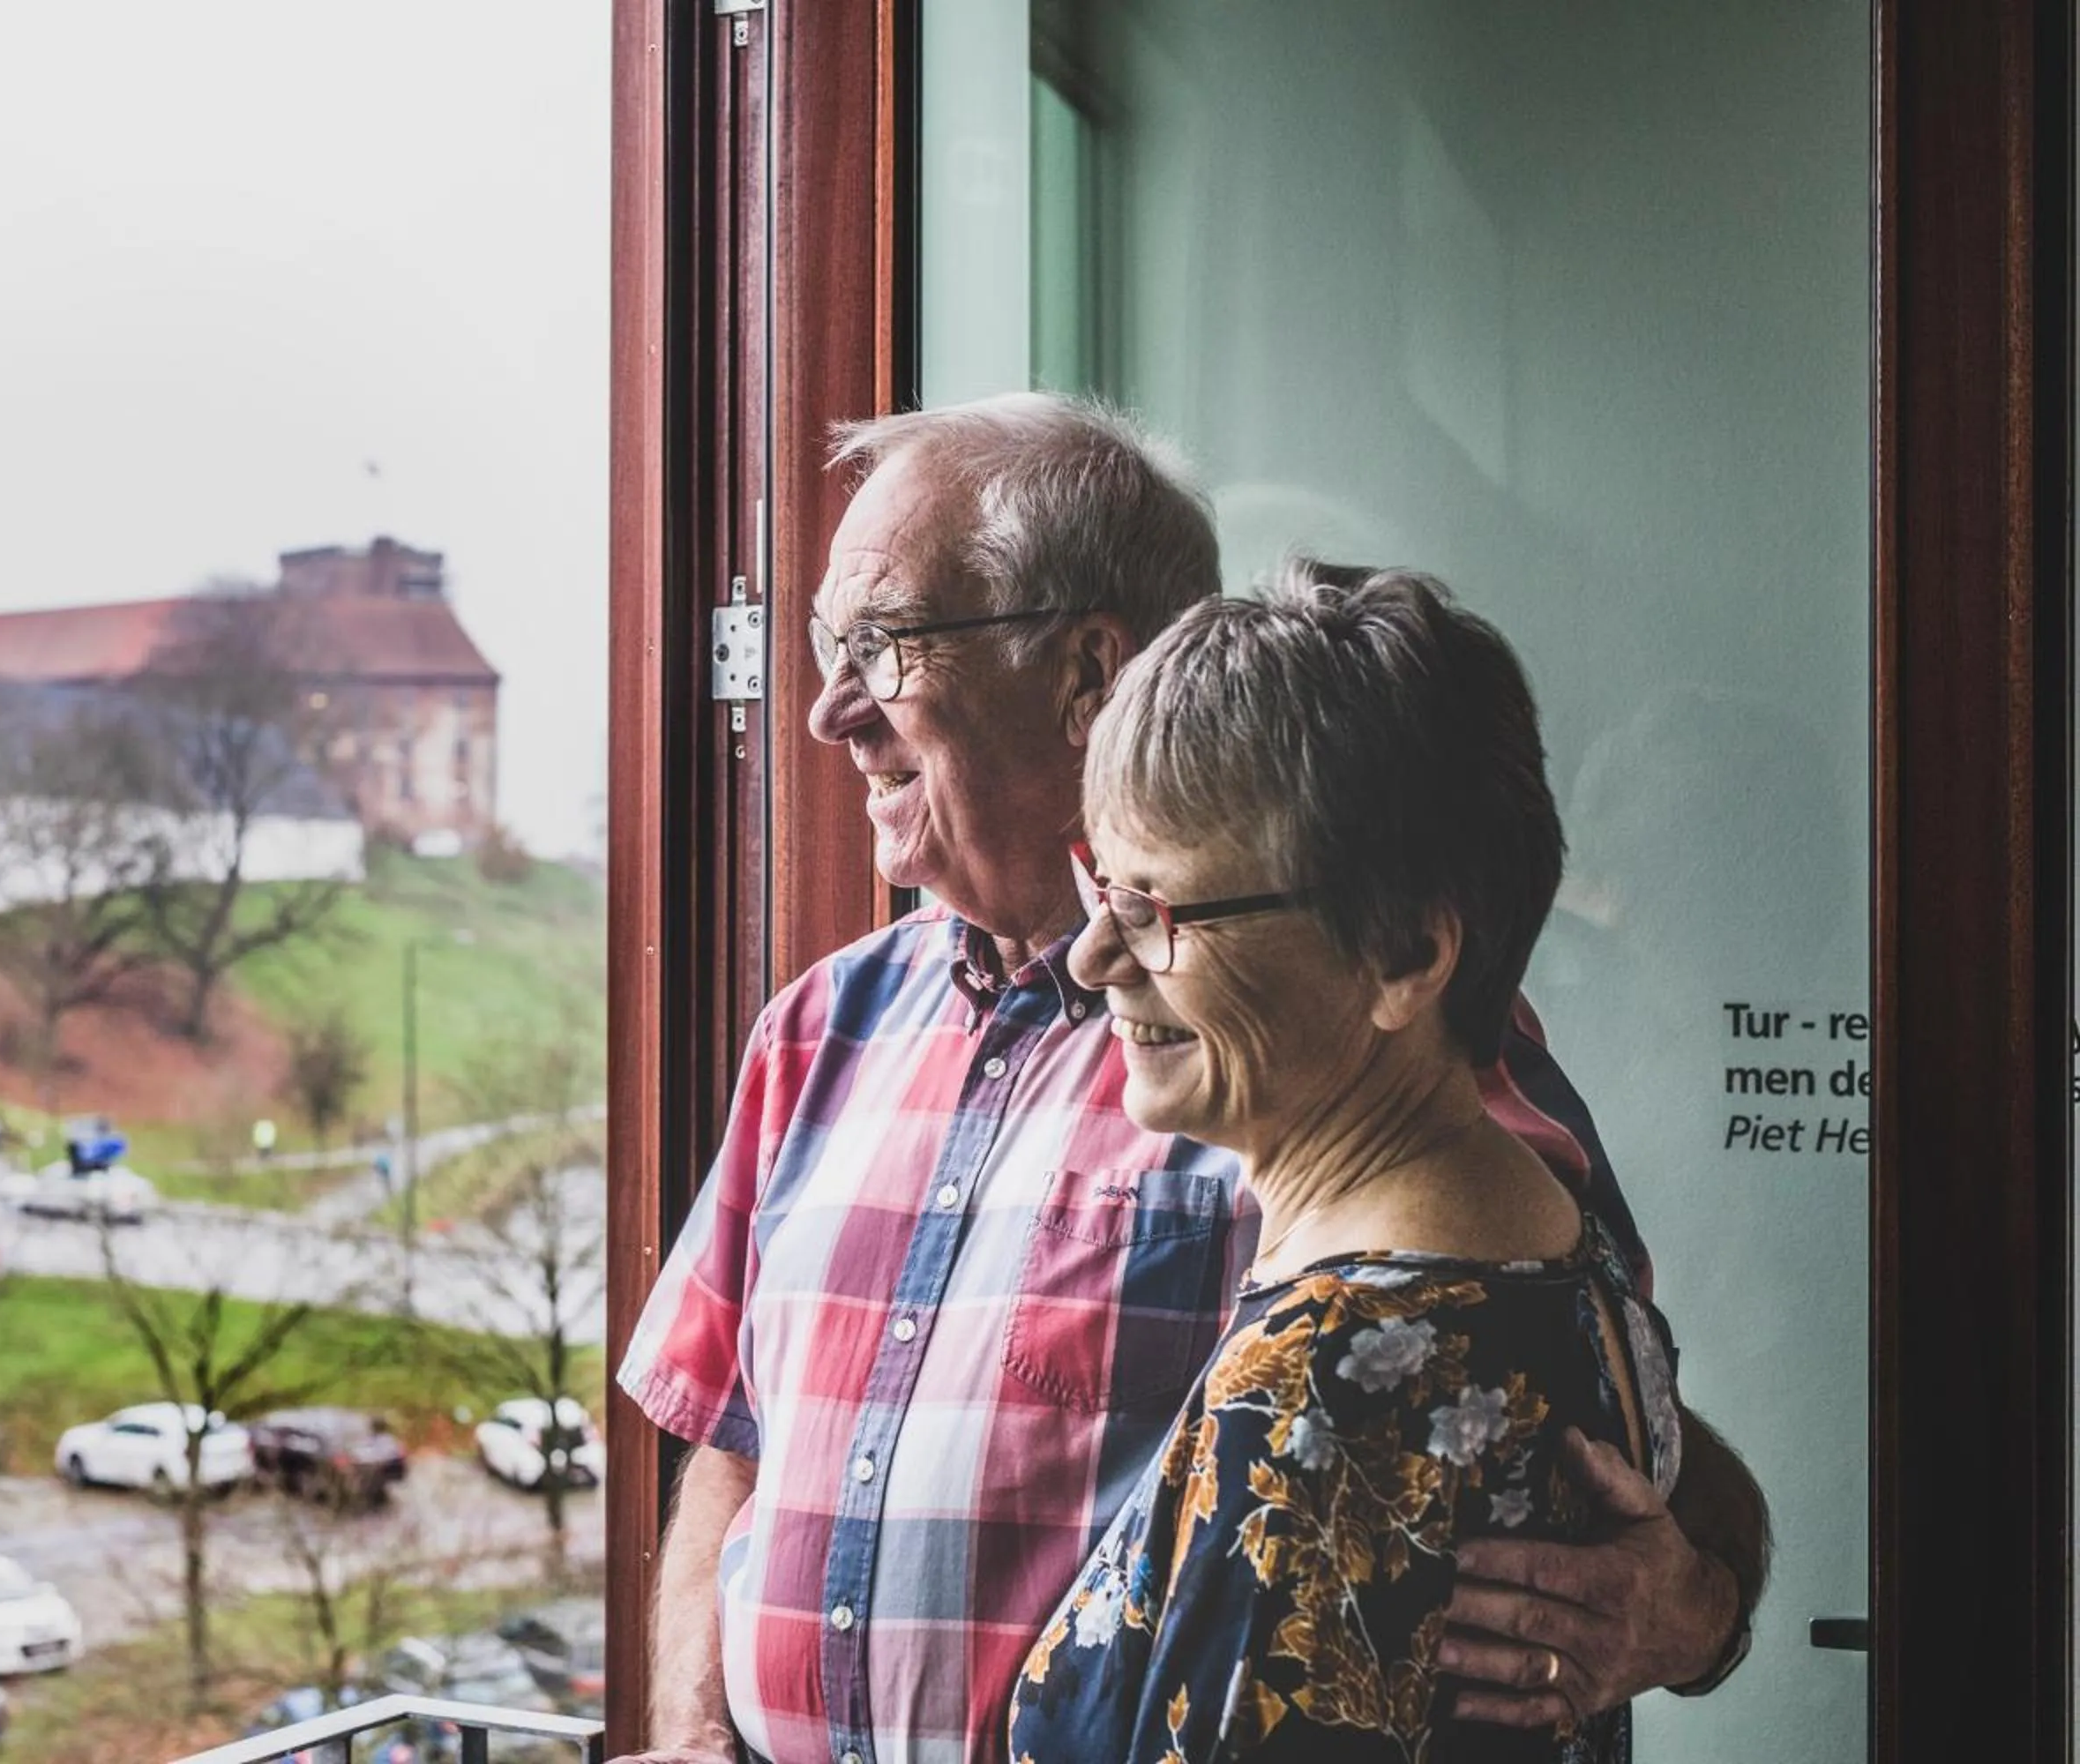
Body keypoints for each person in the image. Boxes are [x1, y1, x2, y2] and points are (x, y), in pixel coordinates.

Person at [614, 394, 1766, 1764]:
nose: (827, 710)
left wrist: (1690, 1611)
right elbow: (735, 1442)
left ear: (1090, 669)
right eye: (823, 646)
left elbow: (1589, 1406)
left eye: (886, 644)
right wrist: (694, 1733)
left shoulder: (1337, 1043)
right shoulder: (817, 1034)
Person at [1009, 563, 1677, 1761]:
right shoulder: (1555, 1250)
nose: (1095, 957)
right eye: (1098, 884)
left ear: (1404, 957)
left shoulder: (1317, 1391)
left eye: (1159, 910)